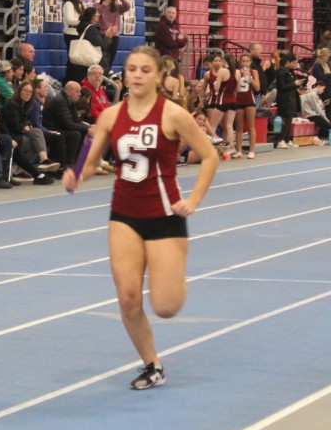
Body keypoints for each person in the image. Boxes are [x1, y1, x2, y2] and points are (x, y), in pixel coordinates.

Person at [62, 46, 217, 390]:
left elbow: (210, 156)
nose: (137, 75)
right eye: (132, 69)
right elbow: (91, 162)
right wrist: (77, 176)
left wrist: (193, 199)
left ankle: (172, 272)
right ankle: (152, 364)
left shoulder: (173, 114)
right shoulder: (110, 116)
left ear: (159, 76)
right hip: (124, 215)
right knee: (129, 298)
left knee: (165, 305)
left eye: (145, 70)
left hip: (165, 216)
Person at [43, 81, 91, 168]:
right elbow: (68, 124)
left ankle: (78, 161)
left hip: (59, 127)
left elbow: (76, 120)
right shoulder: (60, 101)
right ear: (68, 92)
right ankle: (69, 164)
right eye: (77, 91)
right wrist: (87, 129)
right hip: (50, 130)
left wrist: (88, 127)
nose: (80, 94)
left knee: (83, 131)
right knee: (75, 134)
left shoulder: (70, 101)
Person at [72, 7, 113, 85]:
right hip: (92, 62)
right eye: (98, 15)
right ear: (93, 16)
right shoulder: (91, 29)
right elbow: (101, 46)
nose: (99, 16)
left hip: (83, 61)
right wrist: (107, 37)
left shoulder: (82, 27)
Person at [95, 0, 131, 71]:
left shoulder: (116, 7)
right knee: (101, 59)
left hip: (114, 36)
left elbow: (128, 6)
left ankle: (107, 75)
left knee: (110, 59)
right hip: (102, 35)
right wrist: (105, 3)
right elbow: (97, 13)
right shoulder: (98, 5)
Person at [233, 53, 260, 159]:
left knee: (251, 126)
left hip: (250, 100)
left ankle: (252, 150)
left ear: (250, 62)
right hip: (239, 100)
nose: (245, 63)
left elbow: (257, 88)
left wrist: (250, 77)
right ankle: (239, 150)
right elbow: (234, 87)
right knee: (238, 127)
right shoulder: (237, 72)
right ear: (240, 62)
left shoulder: (254, 72)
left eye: (247, 61)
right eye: (243, 61)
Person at [274, 53, 304, 149]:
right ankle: (280, 140)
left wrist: (297, 85)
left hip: (291, 98)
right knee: (287, 119)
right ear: (288, 61)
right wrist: (294, 84)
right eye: (294, 62)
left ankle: (287, 140)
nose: (295, 65)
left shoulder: (290, 71)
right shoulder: (281, 71)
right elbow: (281, 87)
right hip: (285, 99)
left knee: (290, 119)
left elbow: (291, 85)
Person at [62, 0, 86, 84]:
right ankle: (70, 80)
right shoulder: (69, 4)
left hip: (79, 34)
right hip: (71, 34)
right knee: (73, 59)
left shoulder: (80, 4)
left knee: (78, 60)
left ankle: (78, 80)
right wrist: (83, 21)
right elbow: (69, 20)